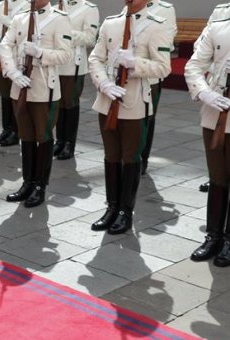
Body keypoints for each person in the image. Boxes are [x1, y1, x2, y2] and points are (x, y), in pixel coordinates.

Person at [88, 0, 171, 235]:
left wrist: (136, 64)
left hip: (135, 101)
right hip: (108, 99)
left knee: (130, 157)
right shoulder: (110, 23)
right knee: (111, 155)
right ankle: (111, 207)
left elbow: (163, 67)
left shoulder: (156, 25)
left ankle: (126, 211)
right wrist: (103, 82)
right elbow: (96, 58)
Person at [0, 0, 72, 208]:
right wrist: (11, 71)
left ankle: (40, 186)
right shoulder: (20, 18)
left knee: (44, 137)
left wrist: (40, 53)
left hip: (43, 89)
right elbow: (6, 45)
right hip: (19, 86)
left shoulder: (59, 19)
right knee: (26, 137)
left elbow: (66, 53)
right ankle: (27, 182)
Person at [185, 16, 230, 266]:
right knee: (217, 177)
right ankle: (213, 236)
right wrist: (204, 92)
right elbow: (194, 65)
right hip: (215, 114)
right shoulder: (218, 27)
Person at [53, 0, 99, 160]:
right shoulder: (55, 7)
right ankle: (59, 140)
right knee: (58, 103)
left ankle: (69, 144)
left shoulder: (88, 9)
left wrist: (65, 33)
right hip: (55, 62)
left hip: (73, 64)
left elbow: (90, 38)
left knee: (70, 103)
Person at [140, 0, 176, 174]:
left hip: (150, 75)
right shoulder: (129, 6)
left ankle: (142, 158)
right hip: (125, 75)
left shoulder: (165, 9)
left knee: (147, 117)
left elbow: (166, 43)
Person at [0, 0, 28, 147]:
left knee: (15, 95)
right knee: (4, 94)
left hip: (16, 59)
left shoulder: (28, 6)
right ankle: (6, 129)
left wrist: (10, 21)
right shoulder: (0, 6)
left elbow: (25, 33)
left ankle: (16, 131)